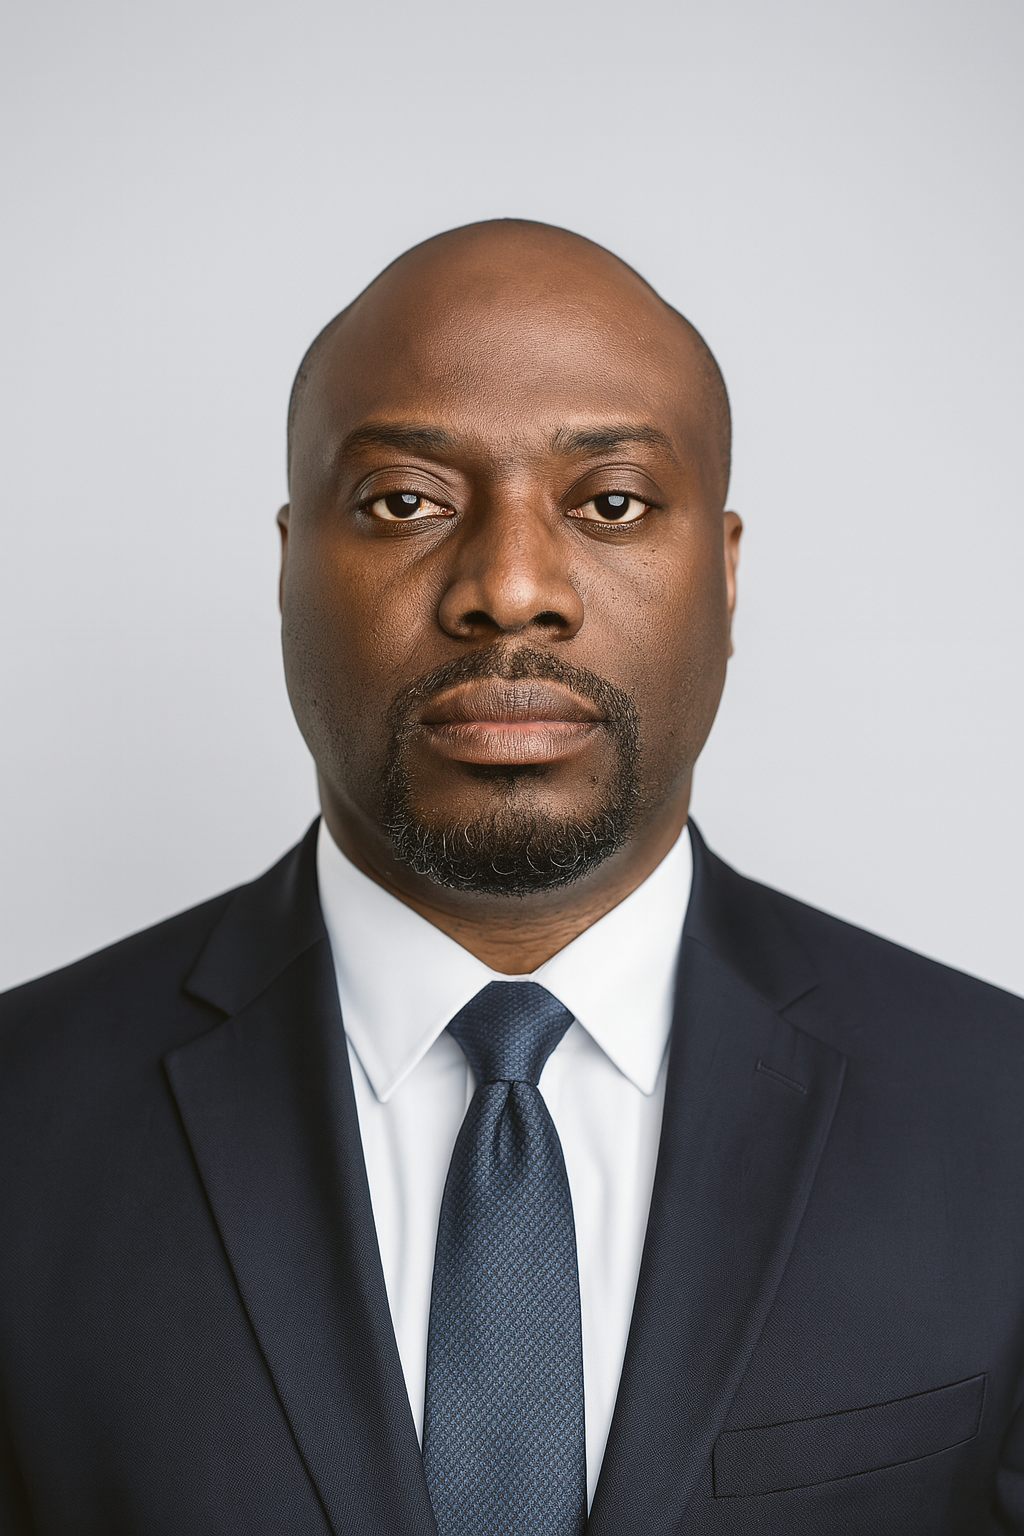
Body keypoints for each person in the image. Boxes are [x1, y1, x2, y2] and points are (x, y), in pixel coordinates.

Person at [1, 219, 1022, 1536]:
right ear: (288, 565)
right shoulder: (21, 1121)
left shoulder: (1000, 1117)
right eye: (405, 502)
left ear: (722, 569)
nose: (512, 587)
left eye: (609, 503)